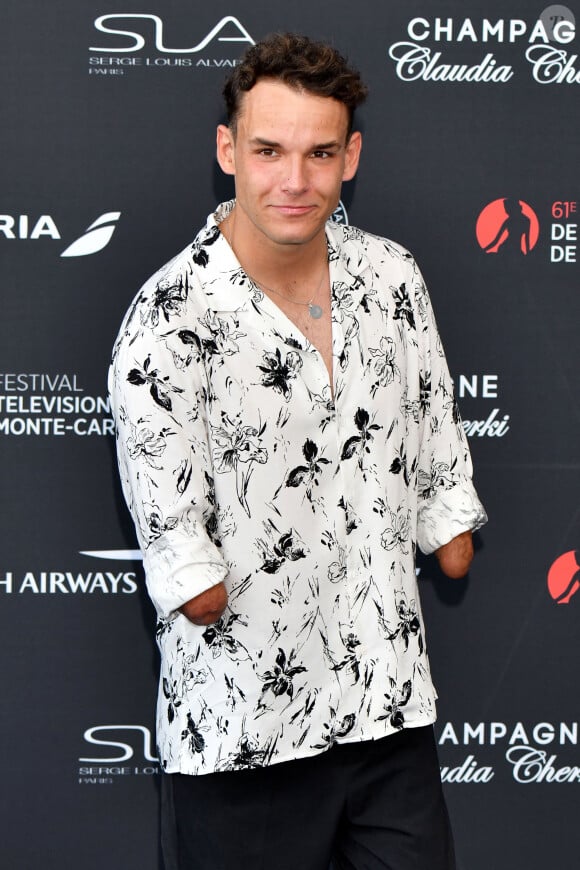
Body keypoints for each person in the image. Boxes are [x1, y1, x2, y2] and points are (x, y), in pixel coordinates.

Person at [109, 32, 487, 870]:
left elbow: (440, 464)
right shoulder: (168, 319)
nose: (294, 180)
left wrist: (441, 528)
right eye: (269, 150)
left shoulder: (392, 278)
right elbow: (189, 572)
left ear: (351, 156)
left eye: (320, 153)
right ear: (227, 151)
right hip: (247, 742)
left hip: (390, 718)